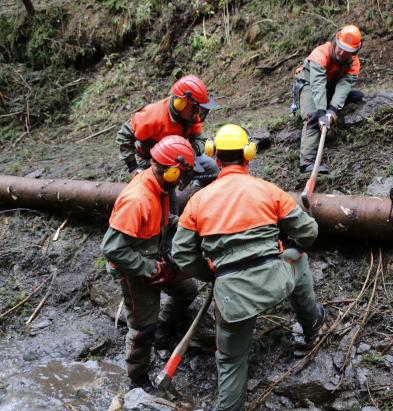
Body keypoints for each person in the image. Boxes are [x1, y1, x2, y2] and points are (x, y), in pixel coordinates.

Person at [172, 124, 325, 411]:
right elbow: (309, 232)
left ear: (215, 158)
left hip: (232, 298)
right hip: (275, 283)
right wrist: (288, 240)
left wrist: (212, 275)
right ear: (249, 155)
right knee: (298, 257)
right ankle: (311, 324)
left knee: (230, 361)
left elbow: (181, 253)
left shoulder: (197, 202)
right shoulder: (268, 190)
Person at [101, 135, 199, 392]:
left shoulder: (162, 188)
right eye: (181, 175)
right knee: (143, 326)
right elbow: (112, 249)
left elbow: (165, 221)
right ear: (170, 170)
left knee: (187, 290)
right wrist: (150, 269)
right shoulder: (138, 199)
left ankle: (162, 334)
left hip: (154, 253)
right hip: (132, 267)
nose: (181, 182)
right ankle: (137, 378)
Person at [116, 74, 220, 187]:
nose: (198, 114)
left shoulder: (191, 118)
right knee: (166, 189)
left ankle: (196, 190)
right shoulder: (152, 116)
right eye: (196, 109)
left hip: (181, 158)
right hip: (154, 162)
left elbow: (200, 140)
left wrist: (191, 153)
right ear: (181, 103)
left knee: (211, 167)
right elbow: (123, 135)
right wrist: (133, 167)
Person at [293, 24, 364, 174]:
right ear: (335, 40)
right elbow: (317, 85)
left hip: (330, 85)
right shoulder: (320, 54)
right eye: (340, 47)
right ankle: (307, 162)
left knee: (348, 96)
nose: (342, 52)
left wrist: (332, 110)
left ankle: (333, 103)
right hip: (309, 84)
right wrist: (321, 112)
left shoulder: (354, 62)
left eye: (348, 51)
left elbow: (344, 85)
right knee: (312, 117)